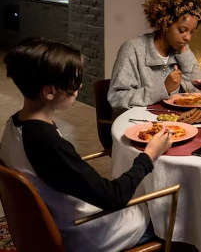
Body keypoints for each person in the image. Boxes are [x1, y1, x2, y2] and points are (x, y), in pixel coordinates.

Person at [0, 38, 172, 251]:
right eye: (74, 81)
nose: (79, 85)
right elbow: (114, 197)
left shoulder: (14, 124)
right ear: (49, 91)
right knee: (168, 210)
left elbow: (65, 174)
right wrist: (149, 156)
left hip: (59, 221)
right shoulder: (49, 144)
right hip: (88, 232)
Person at [108, 0, 201, 110]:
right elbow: (116, 98)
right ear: (165, 22)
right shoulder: (133, 49)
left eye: (191, 32)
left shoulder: (180, 50)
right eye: (182, 30)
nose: (188, 37)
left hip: (176, 125)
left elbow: (200, 91)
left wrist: (184, 52)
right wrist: (163, 89)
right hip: (141, 125)